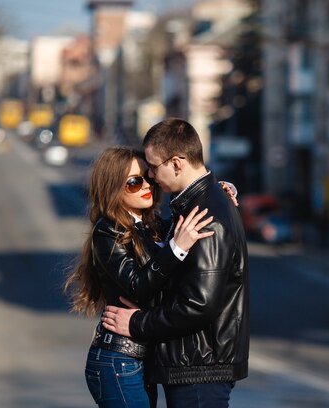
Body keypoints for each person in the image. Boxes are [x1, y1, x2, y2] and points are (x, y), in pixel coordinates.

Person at [101, 118, 250, 408]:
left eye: (154, 168)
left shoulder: (205, 217)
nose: (152, 178)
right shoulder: (195, 207)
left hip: (197, 368)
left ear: (177, 163)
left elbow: (199, 304)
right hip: (192, 363)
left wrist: (137, 324)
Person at [62, 147, 220, 407]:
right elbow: (137, 287)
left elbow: (190, 215)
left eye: (149, 176)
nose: (147, 185)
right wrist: (176, 249)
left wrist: (217, 193)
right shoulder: (108, 230)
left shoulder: (152, 225)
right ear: (114, 188)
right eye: (135, 182)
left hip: (142, 359)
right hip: (118, 360)